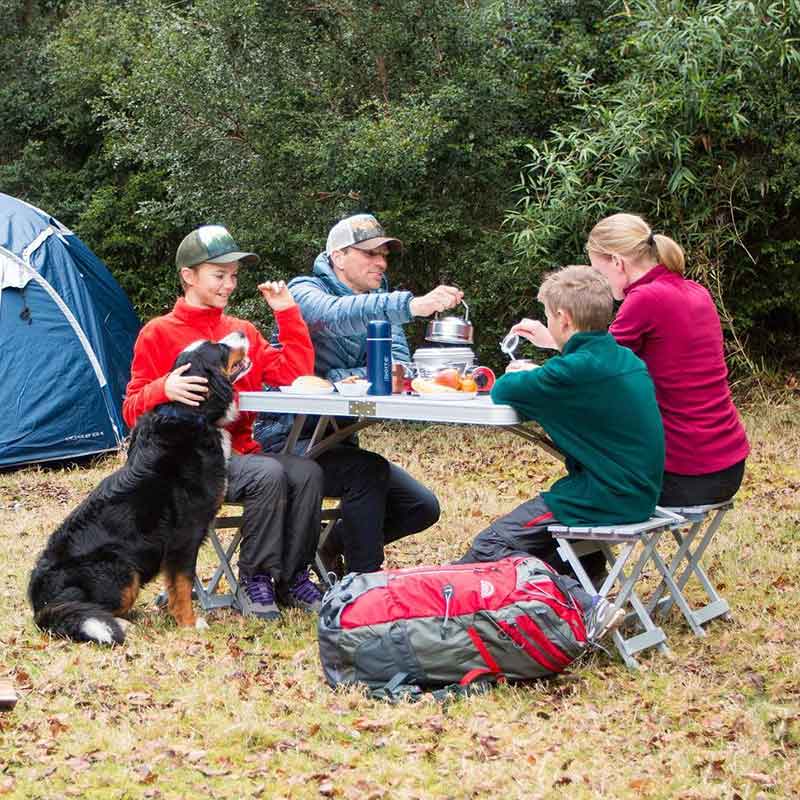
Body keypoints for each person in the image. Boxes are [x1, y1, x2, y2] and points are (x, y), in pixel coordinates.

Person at [123, 224, 325, 621]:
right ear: (189, 276)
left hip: (238, 454)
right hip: (186, 465)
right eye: (219, 274)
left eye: (233, 275)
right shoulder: (159, 332)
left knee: (307, 472)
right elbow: (131, 408)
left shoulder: (241, 332)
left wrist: (287, 312)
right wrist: (165, 387)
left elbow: (295, 372)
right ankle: (256, 581)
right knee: (268, 473)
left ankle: (293, 577)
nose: (229, 284)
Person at [254, 213, 463, 575]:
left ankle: (328, 547)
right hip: (284, 439)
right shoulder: (303, 291)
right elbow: (335, 315)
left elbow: (397, 367)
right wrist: (410, 306)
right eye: (370, 254)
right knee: (366, 473)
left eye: (384, 255)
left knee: (421, 506)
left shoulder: (378, 297)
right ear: (338, 257)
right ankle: (364, 583)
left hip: (336, 440)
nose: (381, 263)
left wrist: (335, 377)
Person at [513, 213, 750, 506]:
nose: (599, 281)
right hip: (726, 469)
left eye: (598, 271)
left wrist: (530, 374)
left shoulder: (645, 299)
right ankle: (577, 544)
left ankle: (562, 543)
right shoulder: (695, 292)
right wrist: (552, 340)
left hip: (682, 475)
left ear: (617, 262)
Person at [459, 265, 665, 583]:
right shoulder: (625, 358)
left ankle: (582, 603)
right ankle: (585, 586)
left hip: (599, 498)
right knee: (547, 548)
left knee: (489, 547)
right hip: (638, 493)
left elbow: (503, 390)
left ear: (563, 318)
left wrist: (521, 372)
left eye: (549, 317)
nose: (550, 324)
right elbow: (580, 377)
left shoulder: (569, 373)